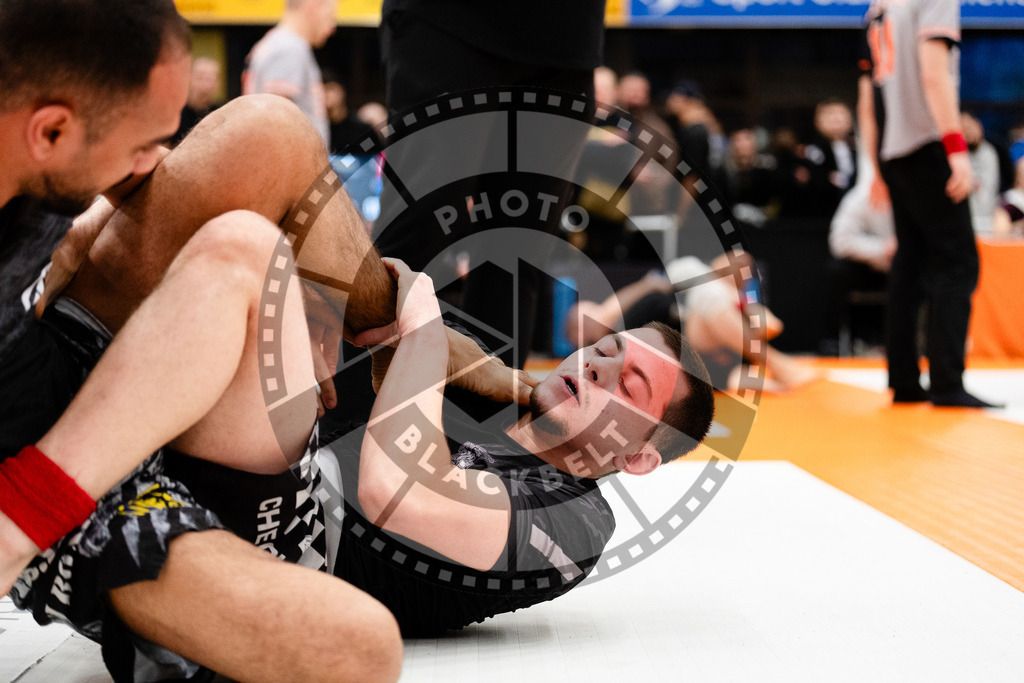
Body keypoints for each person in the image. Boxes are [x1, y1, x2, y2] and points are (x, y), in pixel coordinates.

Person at [325, 257, 716, 635]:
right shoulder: (487, 383)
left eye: (628, 388)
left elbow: (395, 493)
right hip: (286, 461)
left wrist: (424, 342)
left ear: (636, 458)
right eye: (602, 350)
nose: (596, 367)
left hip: (297, 543)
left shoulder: (576, 523)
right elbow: (374, 299)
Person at [374, 0, 605, 367]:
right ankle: (353, 417)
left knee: (517, 254)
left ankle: (485, 421)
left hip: (567, 42)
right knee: (417, 233)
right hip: (452, 22)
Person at [859, 0, 999, 408]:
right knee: (958, 263)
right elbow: (934, 76)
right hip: (927, 144)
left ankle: (903, 379)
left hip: (894, 150)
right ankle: (947, 382)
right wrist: (957, 151)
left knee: (911, 261)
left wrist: (877, 166)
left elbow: (869, 102)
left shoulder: (877, 9)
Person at [563, 254, 817, 394]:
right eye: (581, 317)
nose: (589, 311)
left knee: (694, 272)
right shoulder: (609, 340)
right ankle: (762, 338)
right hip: (694, 335)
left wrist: (652, 284)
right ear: (579, 337)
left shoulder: (625, 308)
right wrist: (647, 285)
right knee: (708, 296)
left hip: (687, 309)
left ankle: (743, 305)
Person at [822, 153, 896, 354]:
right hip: (869, 267)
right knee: (837, 270)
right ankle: (833, 342)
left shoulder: (914, 197)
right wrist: (882, 249)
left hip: (904, 268)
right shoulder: (859, 198)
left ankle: (912, 343)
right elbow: (839, 242)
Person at [242, 0, 337, 147]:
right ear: (313, 6)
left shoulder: (278, 43)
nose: (332, 28)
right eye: (329, 16)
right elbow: (275, 126)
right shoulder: (290, 49)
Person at [961, 112, 1001, 235]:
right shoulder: (955, 158)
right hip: (963, 222)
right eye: (963, 129)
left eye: (970, 127)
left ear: (979, 126)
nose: (968, 133)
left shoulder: (992, 151)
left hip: (990, 220)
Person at [170, 56, 222, 146]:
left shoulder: (222, 112)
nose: (204, 85)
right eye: (200, 78)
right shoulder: (175, 111)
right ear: (190, 78)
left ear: (217, 83)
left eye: (209, 79)